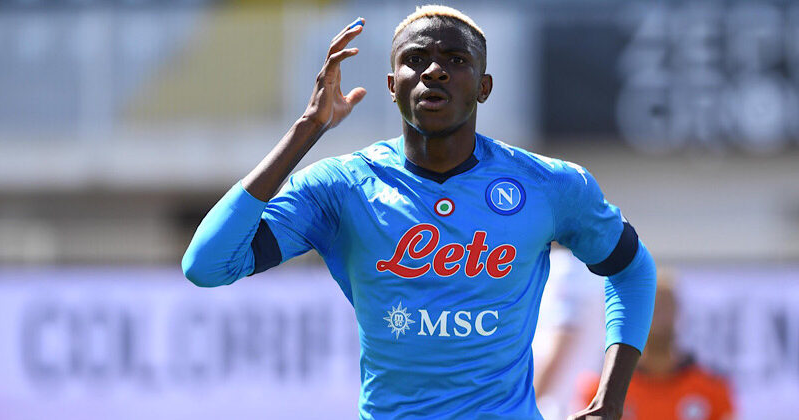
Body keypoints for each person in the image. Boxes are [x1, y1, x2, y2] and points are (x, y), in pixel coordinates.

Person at [182, 5, 657, 419]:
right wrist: (307, 128)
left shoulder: (549, 185)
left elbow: (633, 270)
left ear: (484, 87)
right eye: (415, 59)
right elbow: (207, 265)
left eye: (456, 59)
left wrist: (610, 398)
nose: (434, 71)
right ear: (392, 86)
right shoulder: (341, 187)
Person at [576, 269, 735, 420]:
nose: (658, 315)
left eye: (665, 306)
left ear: (678, 312)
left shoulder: (711, 388)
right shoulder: (602, 391)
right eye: (649, 307)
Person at [533, 245, 606, 419]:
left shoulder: (568, 269)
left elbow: (561, 341)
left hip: (557, 407)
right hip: (577, 405)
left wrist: (521, 405)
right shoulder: (592, 269)